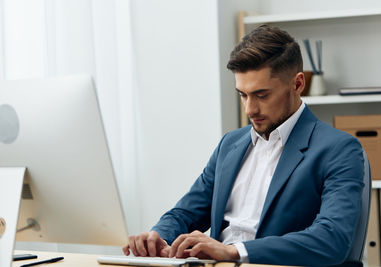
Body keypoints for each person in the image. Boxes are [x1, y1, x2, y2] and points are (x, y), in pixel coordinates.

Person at [122, 24, 364, 266]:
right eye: (243, 95)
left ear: (298, 84)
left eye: (262, 95)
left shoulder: (339, 149)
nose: (250, 109)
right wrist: (158, 236)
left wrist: (233, 251)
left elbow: (332, 239)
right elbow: (186, 213)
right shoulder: (230, 144)